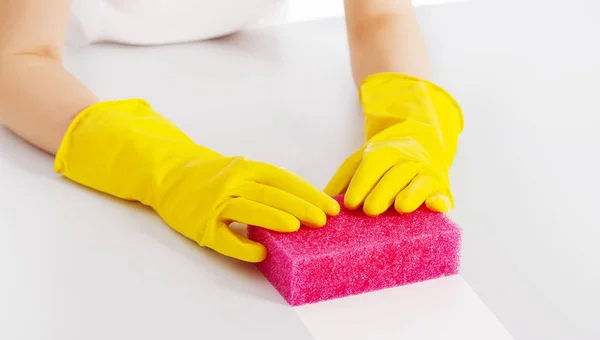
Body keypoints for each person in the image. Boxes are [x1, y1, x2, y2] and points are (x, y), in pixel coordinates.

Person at [0, 0, 463, 262]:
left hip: (254, 59)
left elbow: (383, 17)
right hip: (70, 77)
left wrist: (414, 126)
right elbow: (18, 59)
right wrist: (169, 169)